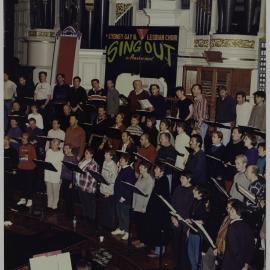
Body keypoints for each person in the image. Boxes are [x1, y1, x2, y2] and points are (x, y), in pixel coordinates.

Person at [221, 199, 254, 270]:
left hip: (230, 265)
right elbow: (251, 246)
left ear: (234, 211)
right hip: (242, 266)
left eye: (231, 209)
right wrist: (246, 264)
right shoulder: (247, 226)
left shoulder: (232, 228)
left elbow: (234, 251)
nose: (229, 212)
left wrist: (242, 264)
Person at [145, 164, 170, 257]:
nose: (155, 170)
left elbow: (161, 198)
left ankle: (159, 251)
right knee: (155, 230)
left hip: (160, 212)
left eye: (157, 169)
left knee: (159, 230)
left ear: (162, 172)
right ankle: (156, 248)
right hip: (156, 211)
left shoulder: (164, 181)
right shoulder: (159, 180)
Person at [171, 171, 194, 270]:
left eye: (183, 178)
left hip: (185, 224)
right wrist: (173, 217)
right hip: (175, 221)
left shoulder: (193, 191)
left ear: (189, 179)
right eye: (180, 178)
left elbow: (191, 210)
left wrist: (187, 225)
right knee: (175, 246)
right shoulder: (178, 188)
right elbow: (172, 204)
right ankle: (176, 266)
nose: (181, 180)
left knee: (183, 249)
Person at [112, 153, 136, 240]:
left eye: (122, 160)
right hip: (119, 196)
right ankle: (121, 229)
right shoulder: (122, 169)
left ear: (127, 161)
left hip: (125, 198)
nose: (120, 161)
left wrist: (123, 197)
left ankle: (127, 232)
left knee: (125, 215)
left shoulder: (129, 171)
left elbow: (129, 186)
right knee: (119, 213)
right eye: (120, 159)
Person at [132, 163, 154, 248]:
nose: (139, 168)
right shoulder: (140, 177)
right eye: (140, 166)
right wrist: (133, 204)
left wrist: (144, 207)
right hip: (137, 204)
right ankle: (139, 239)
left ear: (146, 169)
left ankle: (143, 241)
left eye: (142, 166)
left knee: (143, 225)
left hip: (142, 206)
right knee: (138, 224)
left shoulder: (149, 180)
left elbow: (148, 195)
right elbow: (135, 190)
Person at [187, 186, 209, 270]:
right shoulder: (195, 201)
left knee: (197, 257)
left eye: (195, 190)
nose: (193, 191)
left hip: (198, 233)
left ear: (200, 193)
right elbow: (192, 216)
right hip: (192, 230)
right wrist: (189, 227)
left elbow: (203, 221)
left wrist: (192, 222)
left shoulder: (204, 204)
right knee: (190, 253)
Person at [76, 147, 99, 223]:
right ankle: (85, 217)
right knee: (84, 203)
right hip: (80, 185)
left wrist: (90, 188)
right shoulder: (83, 160)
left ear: (91, 155)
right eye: (85, 153)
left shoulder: (94, 164)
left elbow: (93, 178)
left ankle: (91, 219)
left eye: (87, 153)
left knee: (90, 204)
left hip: (88, 187)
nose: (85, 154)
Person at [99, 149, 118, 230]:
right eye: (105, 154)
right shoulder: (104, 162)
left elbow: (113, 181)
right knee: (103, 209)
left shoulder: (113, 166)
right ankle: (103, 224)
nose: (104, 156)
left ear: (111, 156)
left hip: (109, 191)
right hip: (103, 189)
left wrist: (109, 192)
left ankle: (109, 226)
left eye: (106, 154)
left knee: (109, 210)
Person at [17, 133, 37, 207]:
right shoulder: (20, 147)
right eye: (22, 138)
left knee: (29, 185)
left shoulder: (31, 147)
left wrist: (32, 166)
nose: (23, 139)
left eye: (25, 138)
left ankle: (29, 199)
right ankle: (23, 199)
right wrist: (19, 166)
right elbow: (20, 158)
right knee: (22, 184)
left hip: (29, 169)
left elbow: (35, 158)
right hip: (21, 169)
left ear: (28, 139)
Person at [44, 139, 64, 210]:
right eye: (52, 144)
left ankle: (54, 205)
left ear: (58, 145)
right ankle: (49, 205)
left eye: (54, 144)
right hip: (48, 175)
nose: (52, 145)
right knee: (49, 191)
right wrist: (45, 176)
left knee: (55, 192)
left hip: (56, 176)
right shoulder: (48, 151)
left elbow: (61, 167)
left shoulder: (61, 154)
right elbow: (46, 163)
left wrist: (61, 177)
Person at [224, 127, 246, 191]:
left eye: (234, 133)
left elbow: (240, 160)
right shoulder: (230, 143)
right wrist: (225, 162)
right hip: (225, 169)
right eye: (232, 133)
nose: (232, 134)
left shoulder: (242, 146)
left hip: (233, 172)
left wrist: (231, 163)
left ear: (240, 135)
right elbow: (225, 154)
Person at [60, 144, 78, 216]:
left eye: (66, 149)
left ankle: (70, 214)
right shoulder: (65, 156)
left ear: (70, 149)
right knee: (64, 196)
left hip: (70, 180)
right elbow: (62, 169)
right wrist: (61, 178)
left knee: (69, 198)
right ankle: (65, 212)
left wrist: (72, 182)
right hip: (64, 179)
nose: (65, 150)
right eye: (64, 149)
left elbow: (75, 172)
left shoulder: (74, 159)